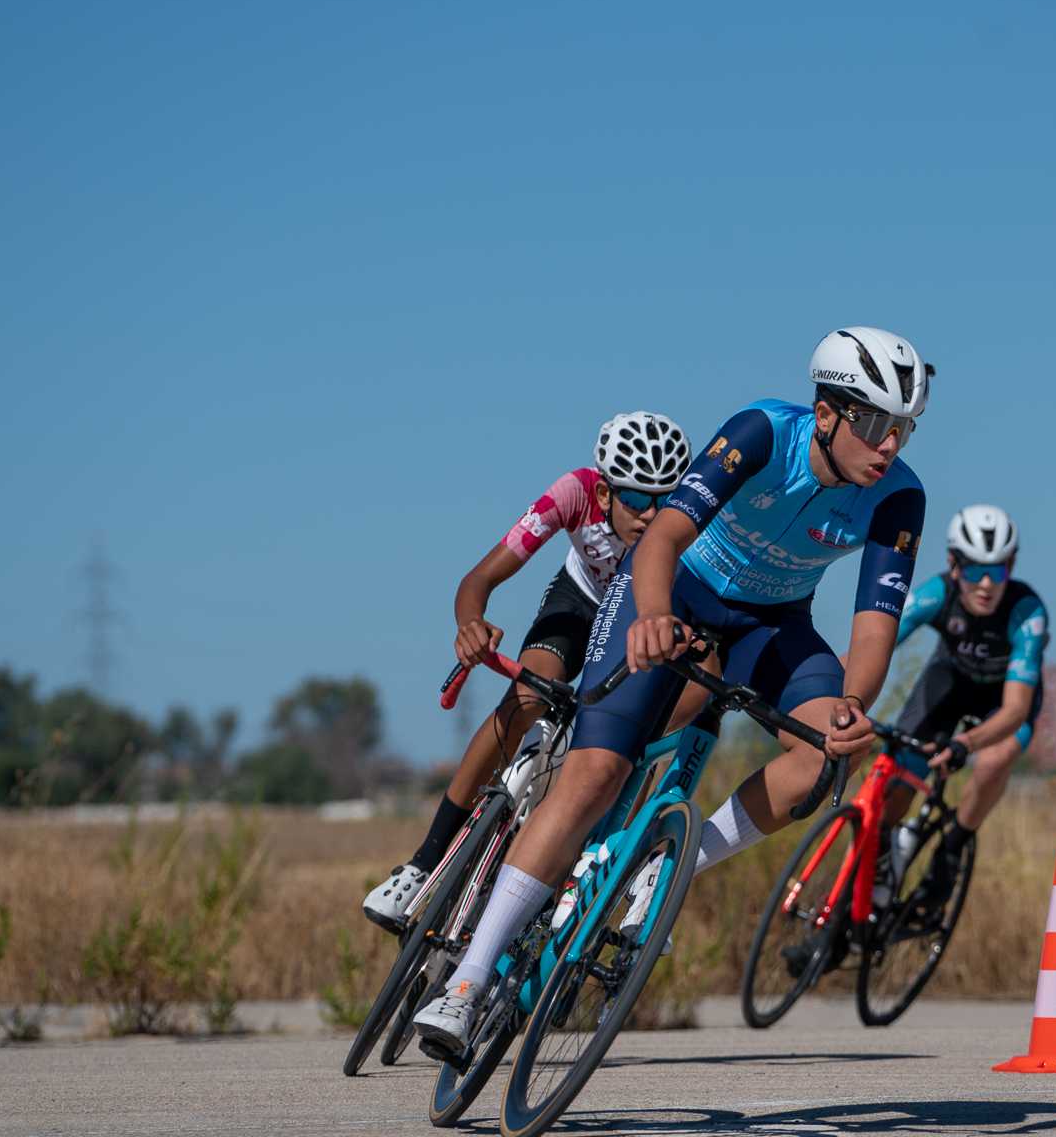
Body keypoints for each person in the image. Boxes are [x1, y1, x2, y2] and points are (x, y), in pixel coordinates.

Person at [413, 327, 931, 1055]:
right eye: (875, 425)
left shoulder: (900, 498)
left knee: (824, 757)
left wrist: (852, 711)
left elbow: (874, 630)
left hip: (772, 623)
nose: (889, 446)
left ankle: (673, 861)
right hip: (674, 592)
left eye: (902, 430)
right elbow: (661, 540)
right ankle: (467, 981)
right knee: (596, 772)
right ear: (826, 414)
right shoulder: (759, 433)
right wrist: (653, 617)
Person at [359, 412, 691, 933]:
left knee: (612, 752)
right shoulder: (572, 495)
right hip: (579, 603)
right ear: (604, 494)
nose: (651, 514)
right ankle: (423, 864)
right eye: (635, 498)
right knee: (526, 696)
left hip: (632, 625)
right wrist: (471, 624)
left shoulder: (687, 524)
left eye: (663, 500)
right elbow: (481, 576)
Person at [876, 504, 1047, 903]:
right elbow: (876, 646)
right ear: (954, 565)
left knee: (993, 761)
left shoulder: (1027, 612)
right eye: (974, 570)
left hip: (1003, 701)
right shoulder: (937, 593)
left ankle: (951, 851)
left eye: (998, 570)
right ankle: (879, 865)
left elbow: (1016, 711)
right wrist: (837, 690)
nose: (986, 584)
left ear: (1012, 565)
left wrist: (965, 745)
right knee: (900, 770)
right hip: (950, 682)